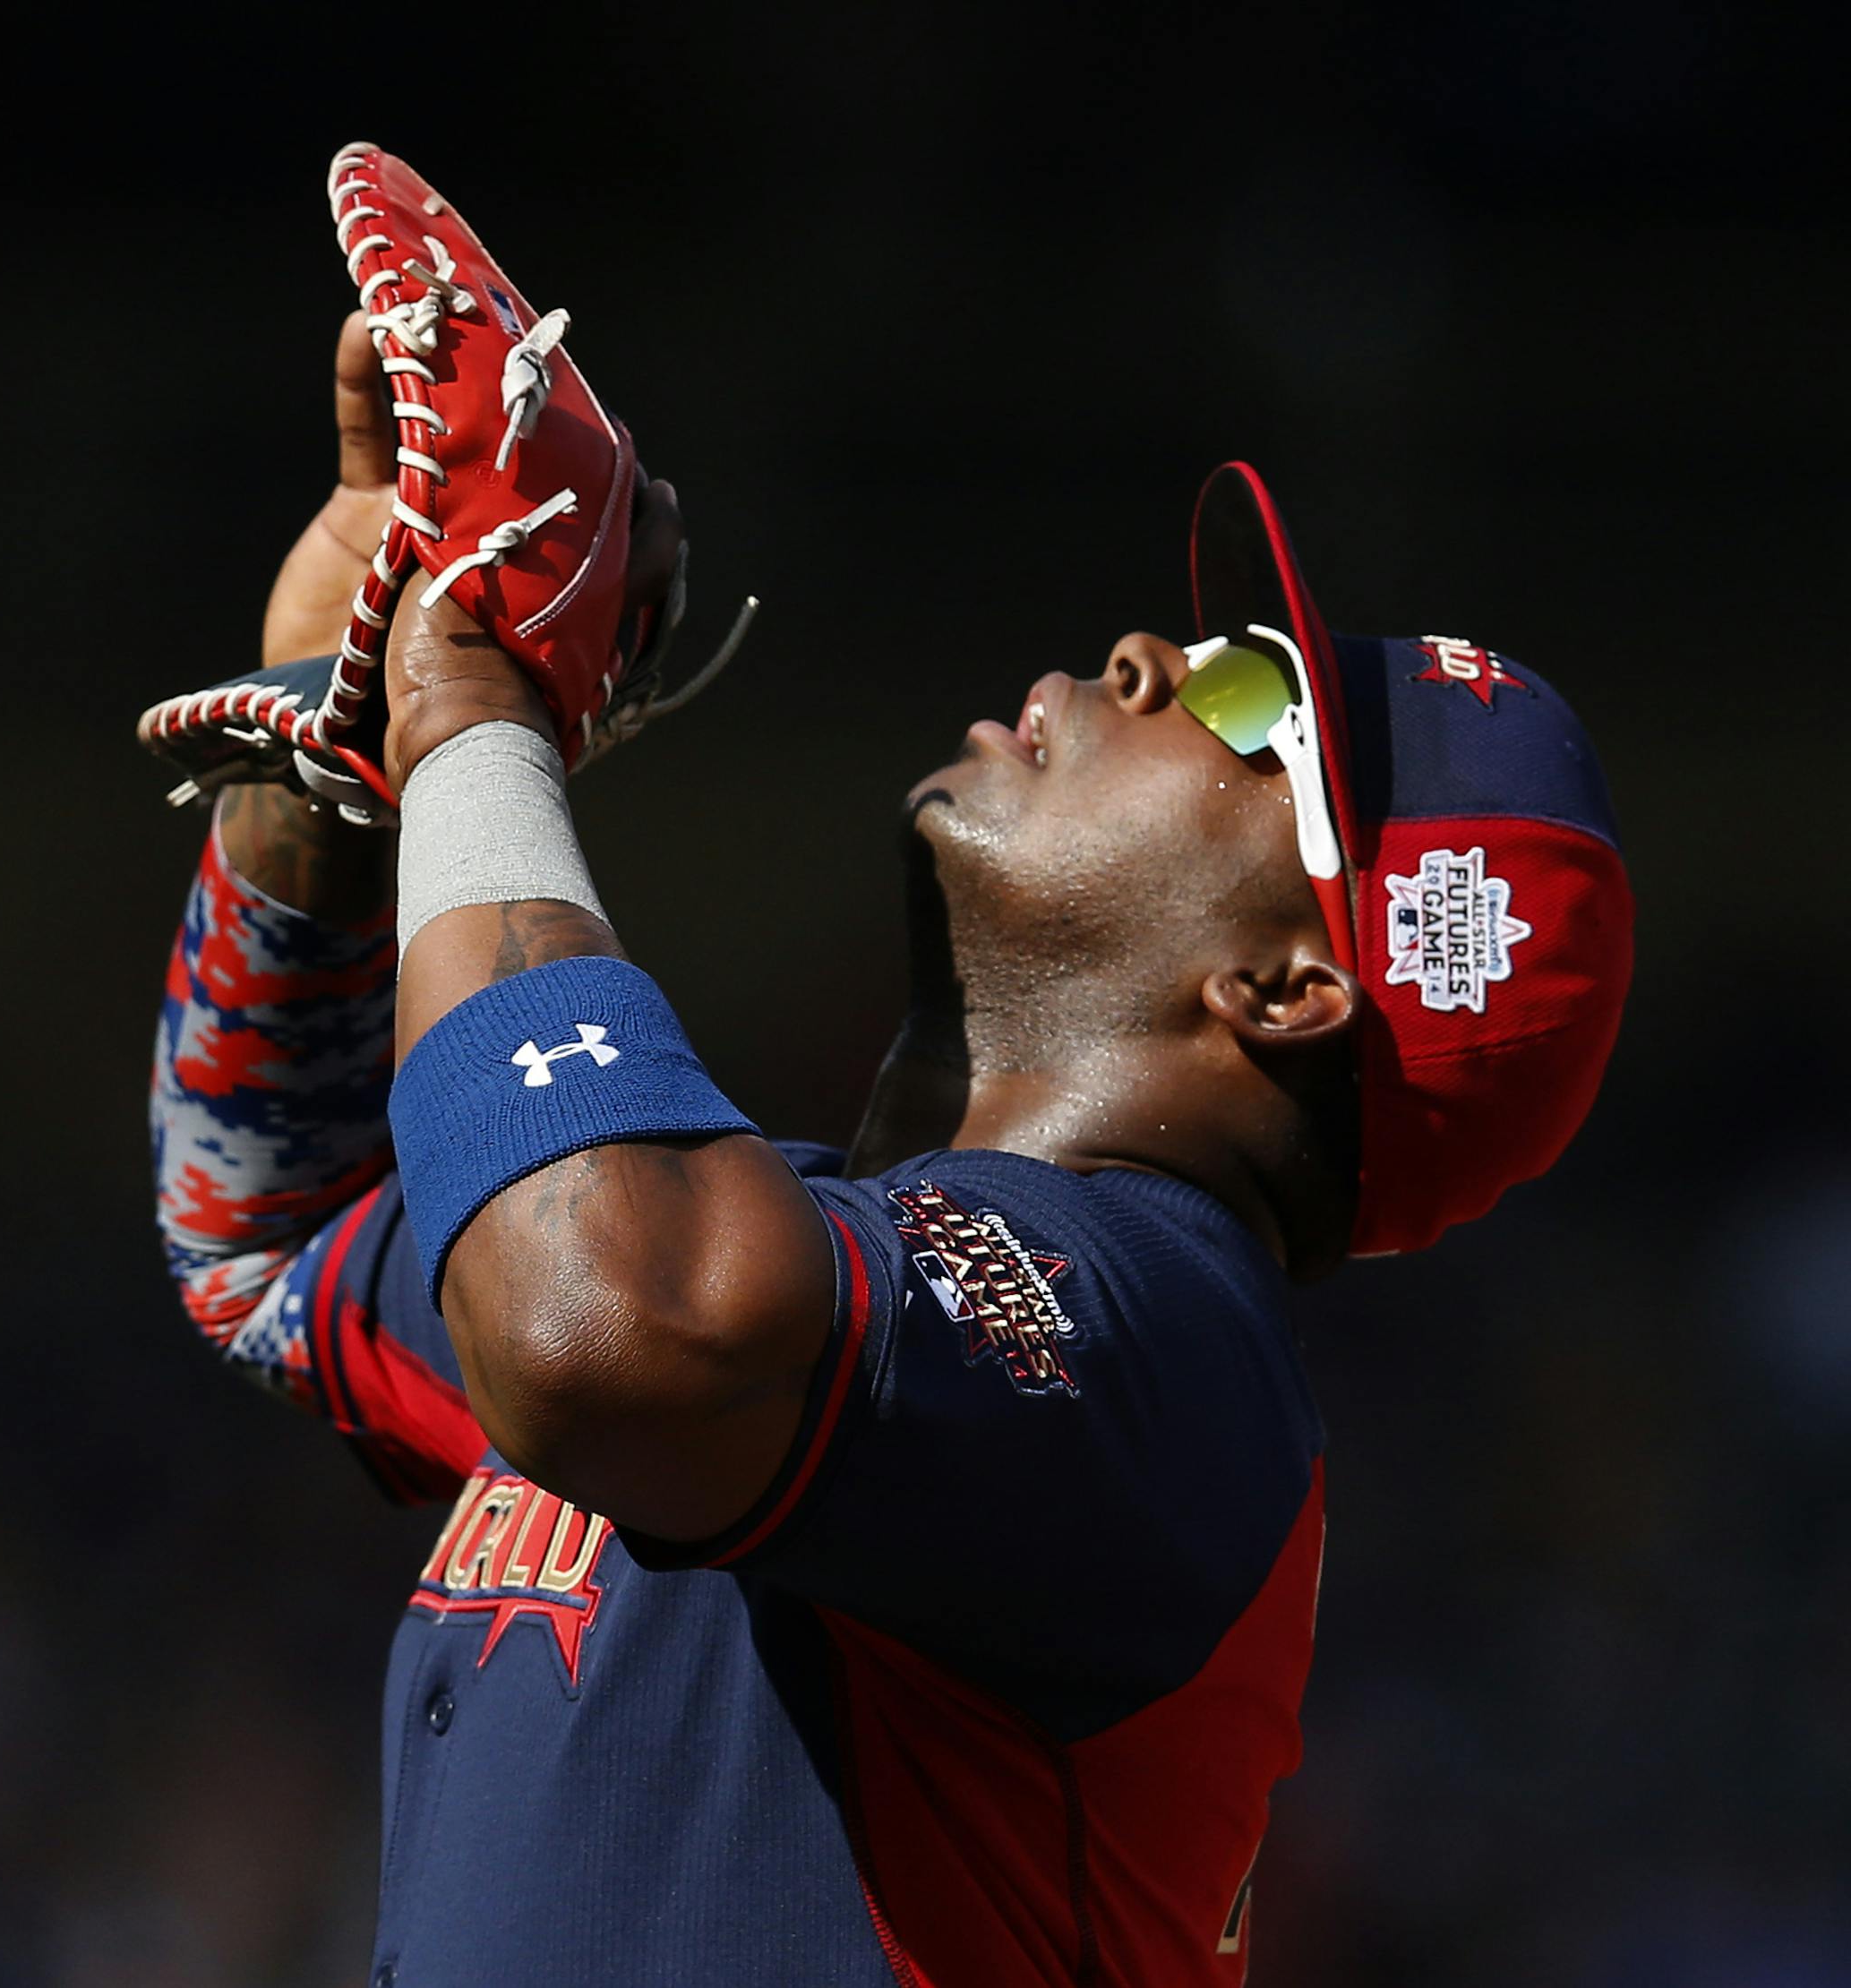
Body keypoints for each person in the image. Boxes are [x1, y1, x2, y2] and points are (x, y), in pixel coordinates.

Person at [151, 313, 1632, 1986]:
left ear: (1285, 990)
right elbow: (272, 1240)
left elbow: (600, 1322)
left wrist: (476, 734)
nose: (1148, 656)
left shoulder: (1159, 1349)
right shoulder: (786, 1260)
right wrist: (337, 754)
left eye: (1248, 701)